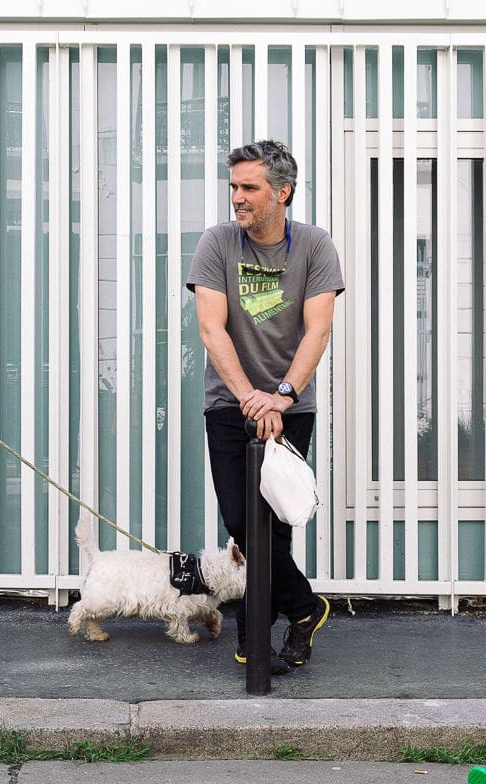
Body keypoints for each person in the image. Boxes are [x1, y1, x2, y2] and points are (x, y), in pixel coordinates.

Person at [187, 140, 343, 672]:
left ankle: (256, 633)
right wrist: (251, 397)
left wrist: (282, 395)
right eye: (233, 187)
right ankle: (304, 609)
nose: (237, 197)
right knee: (240, 519)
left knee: (274, 523)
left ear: (283, 192)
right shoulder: (217, 243)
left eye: (249, 187)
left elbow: (318, 328)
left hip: (291, 408)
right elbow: (212, 327)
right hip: (229, 404)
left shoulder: (315, 247)